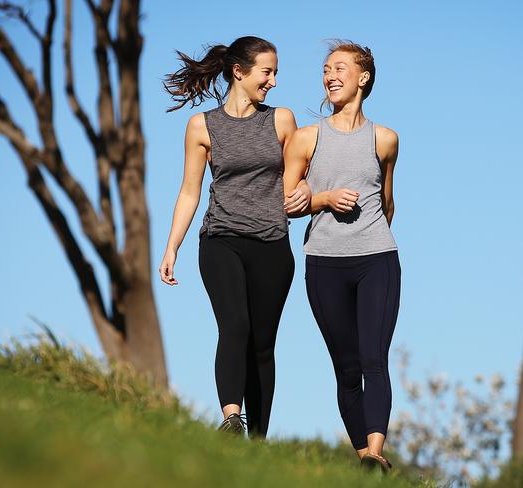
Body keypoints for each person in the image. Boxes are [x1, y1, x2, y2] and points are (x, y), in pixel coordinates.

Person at [159, 36, 309, 438]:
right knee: (235, 325)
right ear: (239, 72)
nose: (273, 81)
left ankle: (257, 442)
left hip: (272, 243)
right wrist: (172, 245)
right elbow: (190, 189)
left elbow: (300, 179)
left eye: (276, 72)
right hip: (221, 239)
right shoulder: (202, 126)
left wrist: (308, 193)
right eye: (267, 72)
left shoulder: (281, 121)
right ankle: (230, 418)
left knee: (262, 345)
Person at [283, 41, 401, 472]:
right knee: (347, 367)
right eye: (325, 70)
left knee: (375, 357)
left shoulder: (386, 139)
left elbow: (387, 201)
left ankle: (375, 452)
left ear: (363, 77)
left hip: (377, 259)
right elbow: (285, 203)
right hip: (324, 263)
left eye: (339, 68)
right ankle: (365, 463)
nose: (330, 76)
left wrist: (373, 236)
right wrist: (326, 198)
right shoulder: (305, 138)